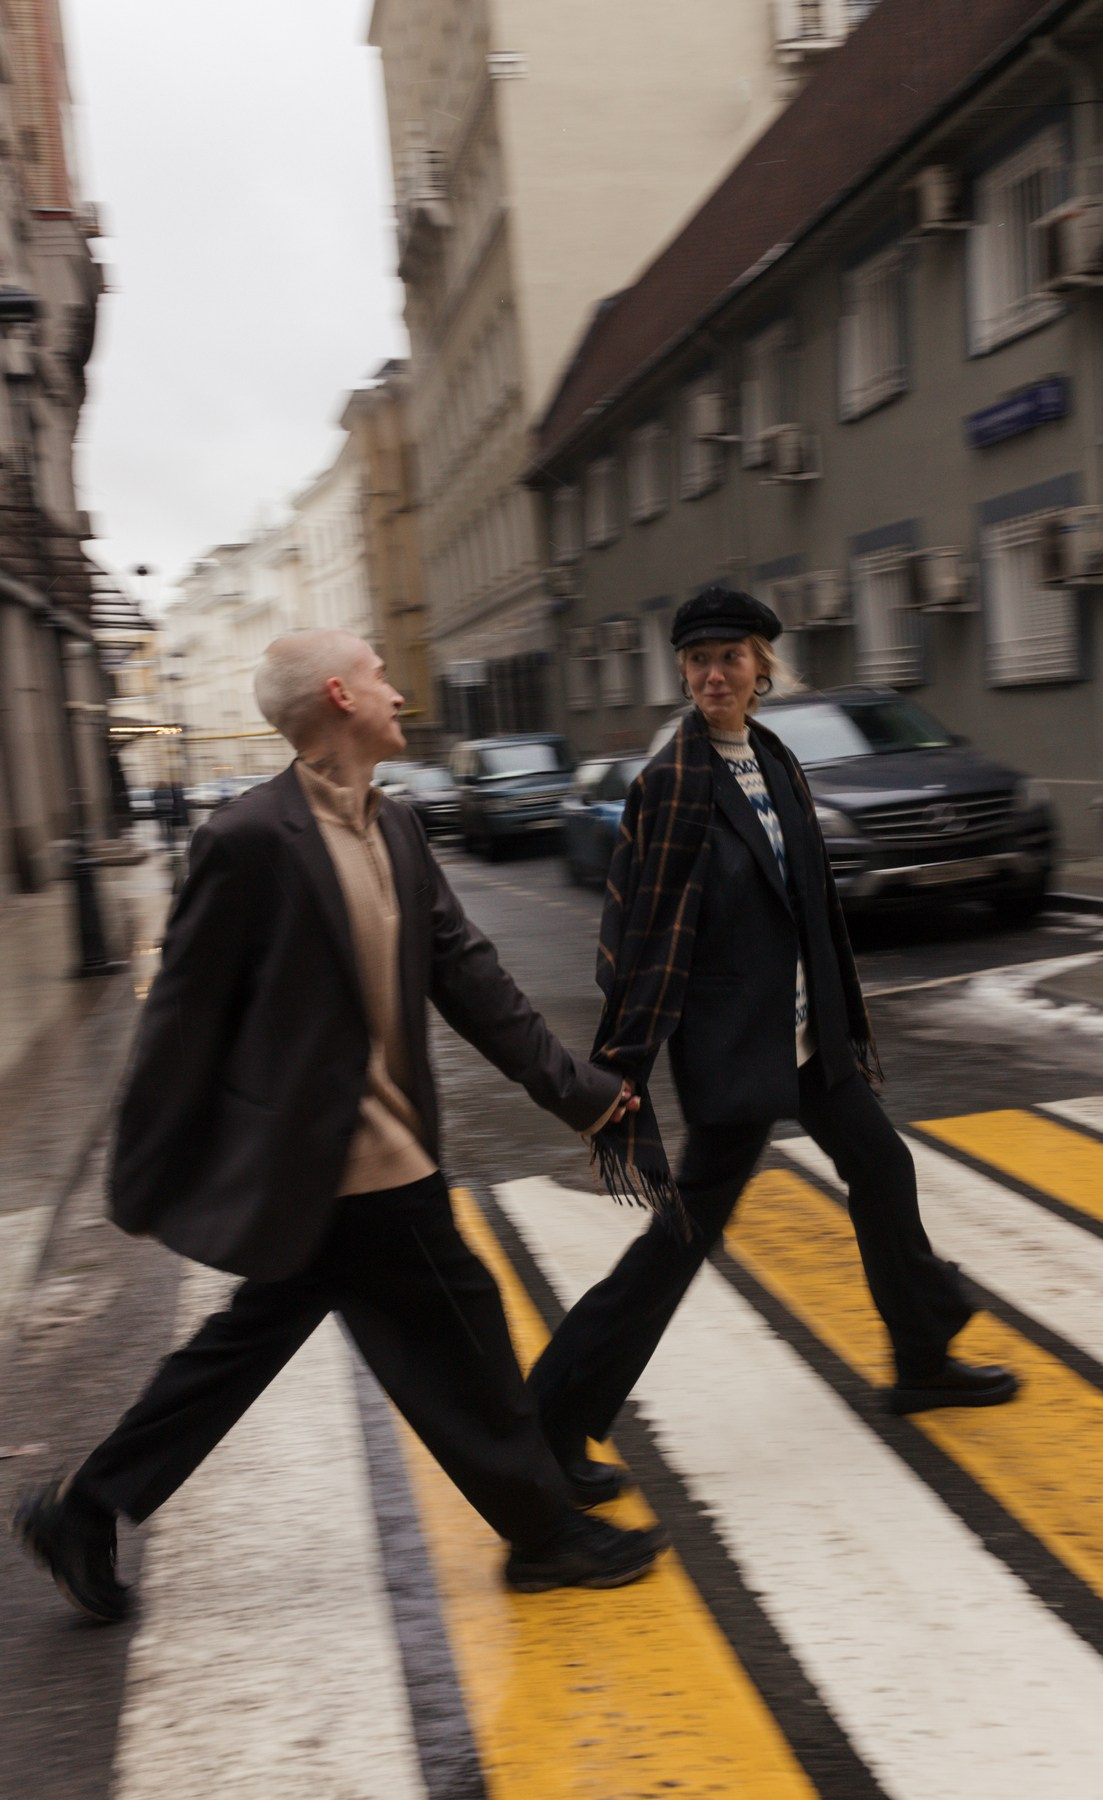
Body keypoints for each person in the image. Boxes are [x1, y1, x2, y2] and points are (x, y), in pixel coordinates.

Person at [13, 629, 663, 1620]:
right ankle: (545, 1533)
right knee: (465, 1329)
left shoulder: (392, 826)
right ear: (337, 697)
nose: (398, 693)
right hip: (346, 1158)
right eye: (379, 678)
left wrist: (574, 1090)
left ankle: (82, 1507)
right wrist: (143, 1175)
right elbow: (182, 1020)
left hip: (355, 1162)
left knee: (247, 1343)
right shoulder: (246, 840)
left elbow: (470, 976)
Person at [528, 586, 1017, 1496]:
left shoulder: (777, 760)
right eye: (699, 660)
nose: (715, 674)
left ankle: (921, 1357)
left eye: (732, 658)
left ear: (762, 668)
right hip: (733, 1050)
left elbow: (807, 907)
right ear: (683, 671)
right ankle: (550, 1420)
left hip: (807, 1035)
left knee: (882, 1166)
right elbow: (634, 934)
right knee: (679, 1239)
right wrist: (625, 1059)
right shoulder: (669, 784)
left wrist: (828, 1011)